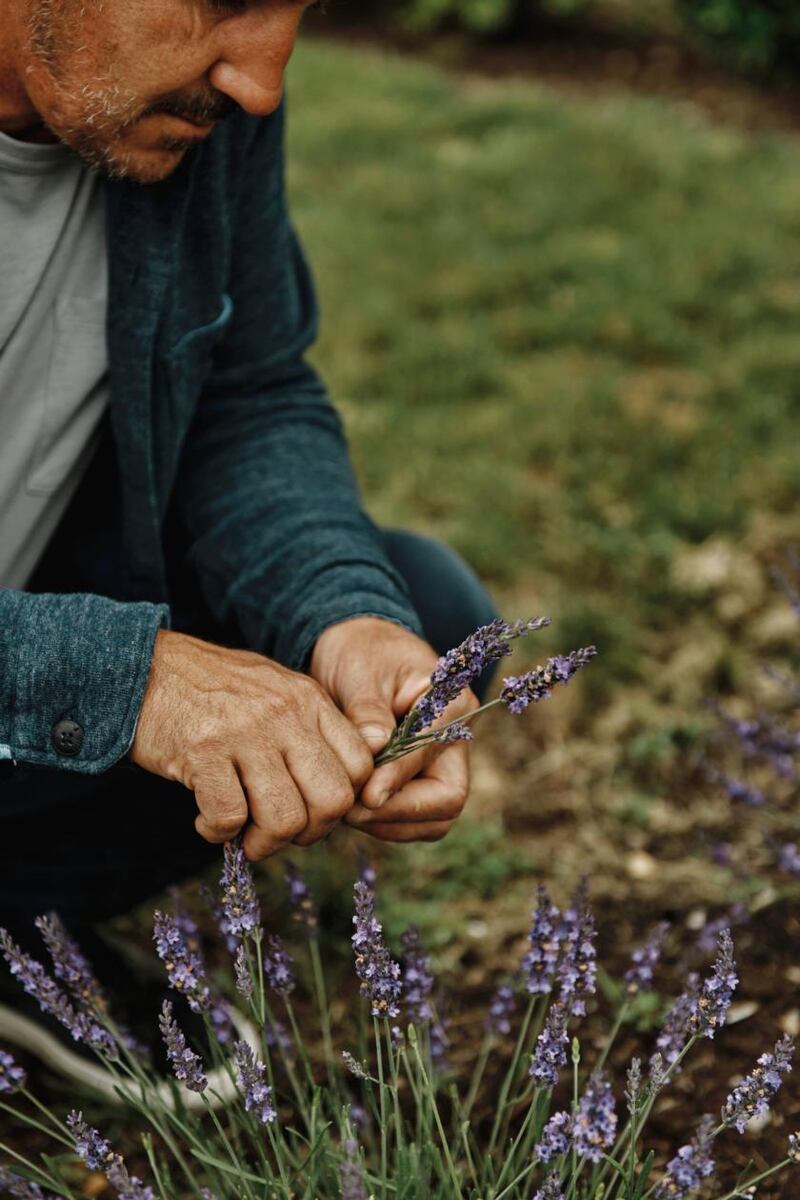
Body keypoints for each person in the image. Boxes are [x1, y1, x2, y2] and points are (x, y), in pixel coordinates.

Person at [0, 0, 497, 1079]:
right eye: (221, 1)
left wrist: (342, 613)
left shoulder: (187, 113)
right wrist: (122, 678)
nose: (261, 82)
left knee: (427, 610)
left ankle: (14, 917)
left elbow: (248, 394)